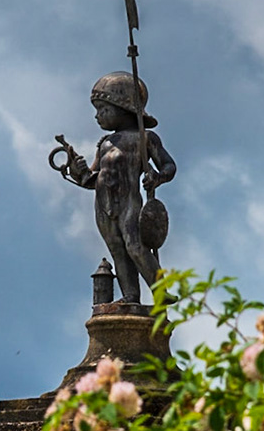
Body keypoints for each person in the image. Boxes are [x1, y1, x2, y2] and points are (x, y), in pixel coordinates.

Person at [53, 72, 177, 305]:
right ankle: (130, 295)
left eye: (103, 109)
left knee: (135, 246)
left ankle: (161, 291)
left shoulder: (145, 138)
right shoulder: (104, 144)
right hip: (103, 205)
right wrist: (78, 171)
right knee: (117, 249)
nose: (97, 116)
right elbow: (91, 180)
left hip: (129, 203)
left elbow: (169, 166)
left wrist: (157, 178)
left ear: (123, 107)